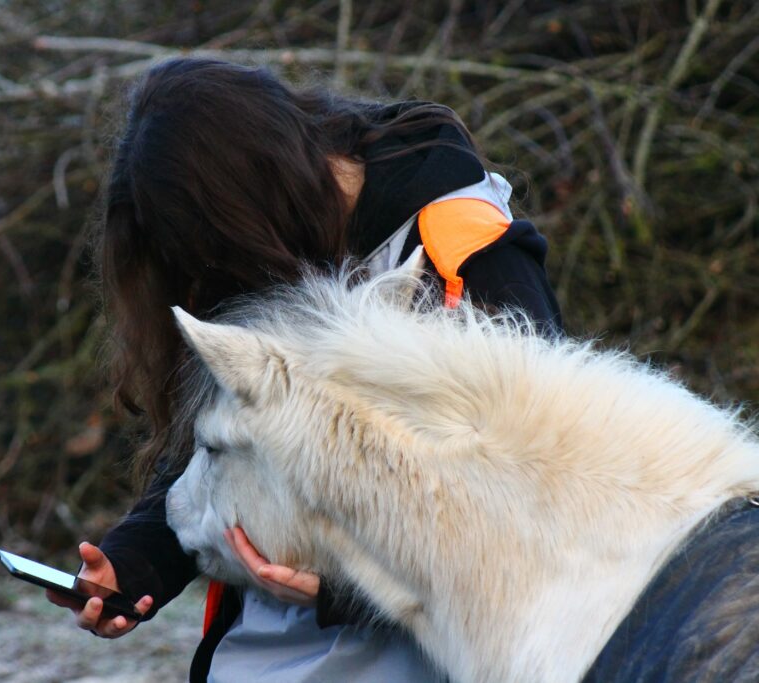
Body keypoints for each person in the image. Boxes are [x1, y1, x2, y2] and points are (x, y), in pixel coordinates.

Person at [46, 57, 563, 681]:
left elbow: (533, 513)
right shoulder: (255, 251)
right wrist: (134, 563)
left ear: (246, 209)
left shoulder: (467, 254)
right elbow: (223, 442)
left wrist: (340, 593)